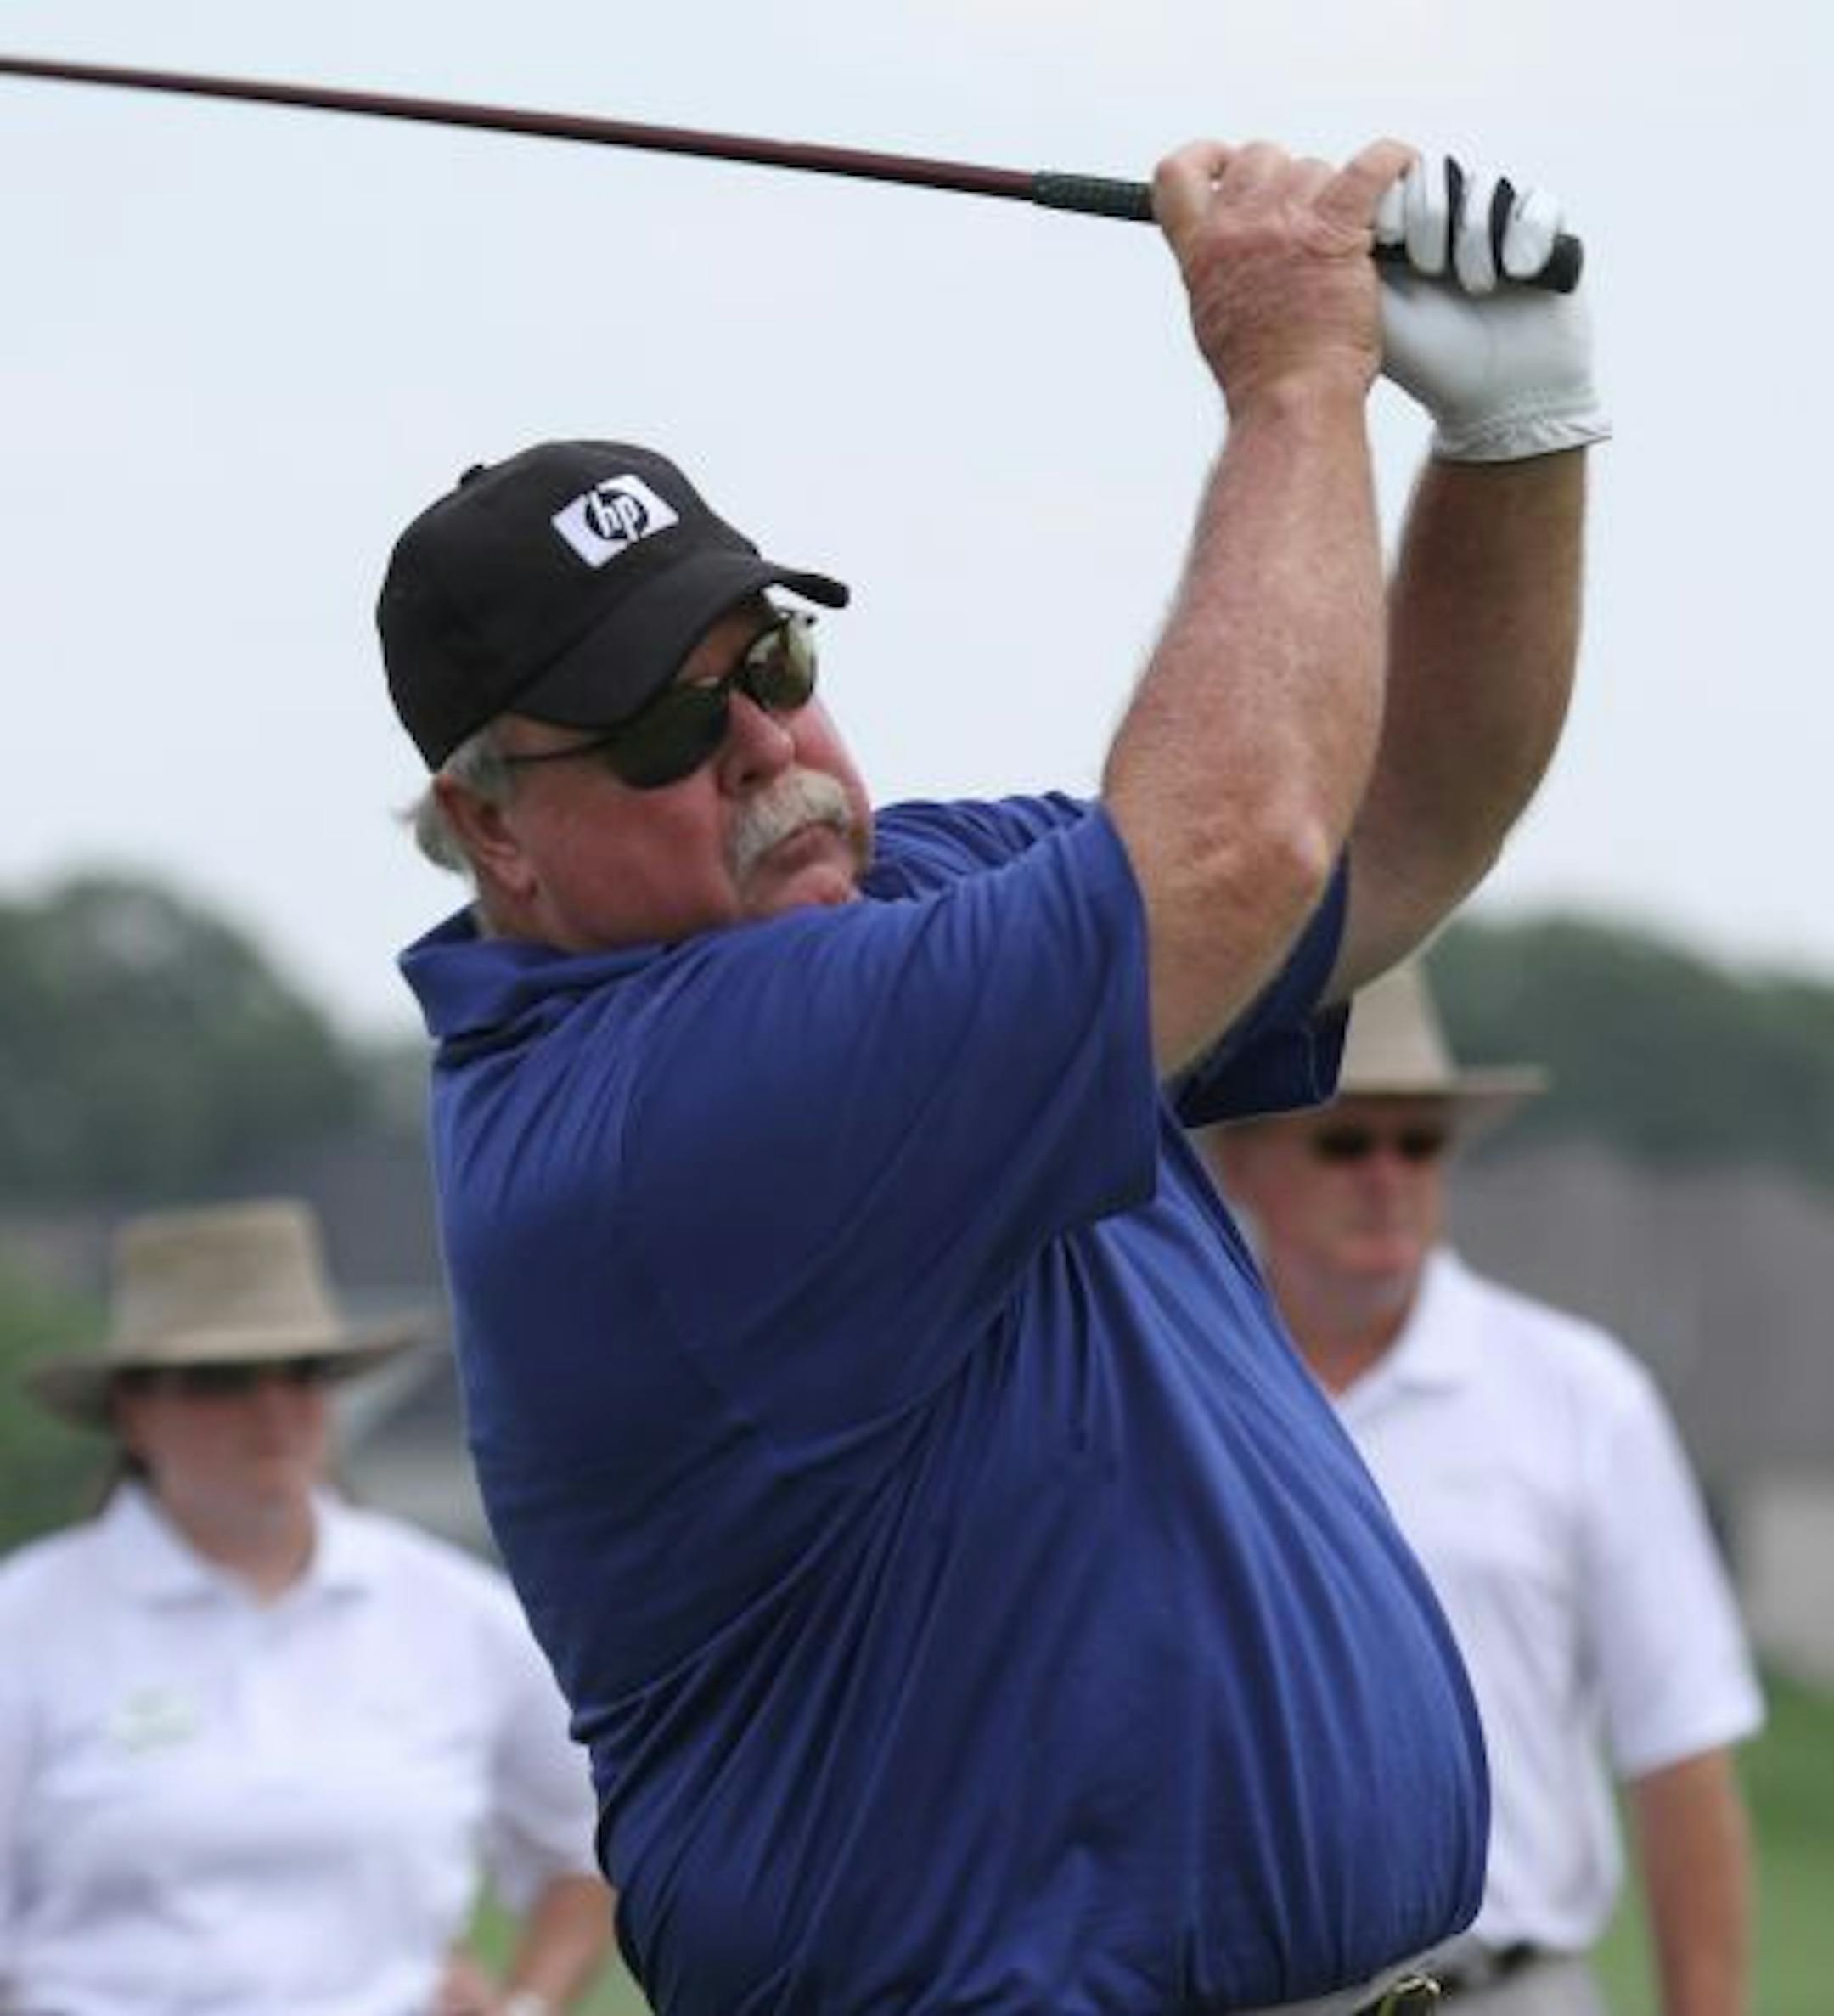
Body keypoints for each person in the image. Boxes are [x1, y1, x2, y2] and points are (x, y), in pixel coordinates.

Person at [378, 137, 1609, 2016]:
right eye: (662, 721)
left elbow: (1397, 821)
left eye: (773, 650)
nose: (770, 742)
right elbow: (1236, 845)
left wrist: (1514, 441)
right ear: (492, 827)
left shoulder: (915, 895)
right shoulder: (653, 1110)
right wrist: (1296, 378)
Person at [1198, 960, 1764, 2016]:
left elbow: (1681, 1753)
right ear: (1240, 1158)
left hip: (1506, 1991)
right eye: (1344, 1137)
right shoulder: (1174, 1399)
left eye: (1419, 1140)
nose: (1388, 1172)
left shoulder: (1582, 1396)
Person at [0, 1197, 616, 2016]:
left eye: (302, 1373)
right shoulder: (27, 1627)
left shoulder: (459, 1614)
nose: (273, 1410)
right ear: (133, 1412)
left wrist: (528, 2006)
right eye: (222, 1380)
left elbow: (590, 1848)